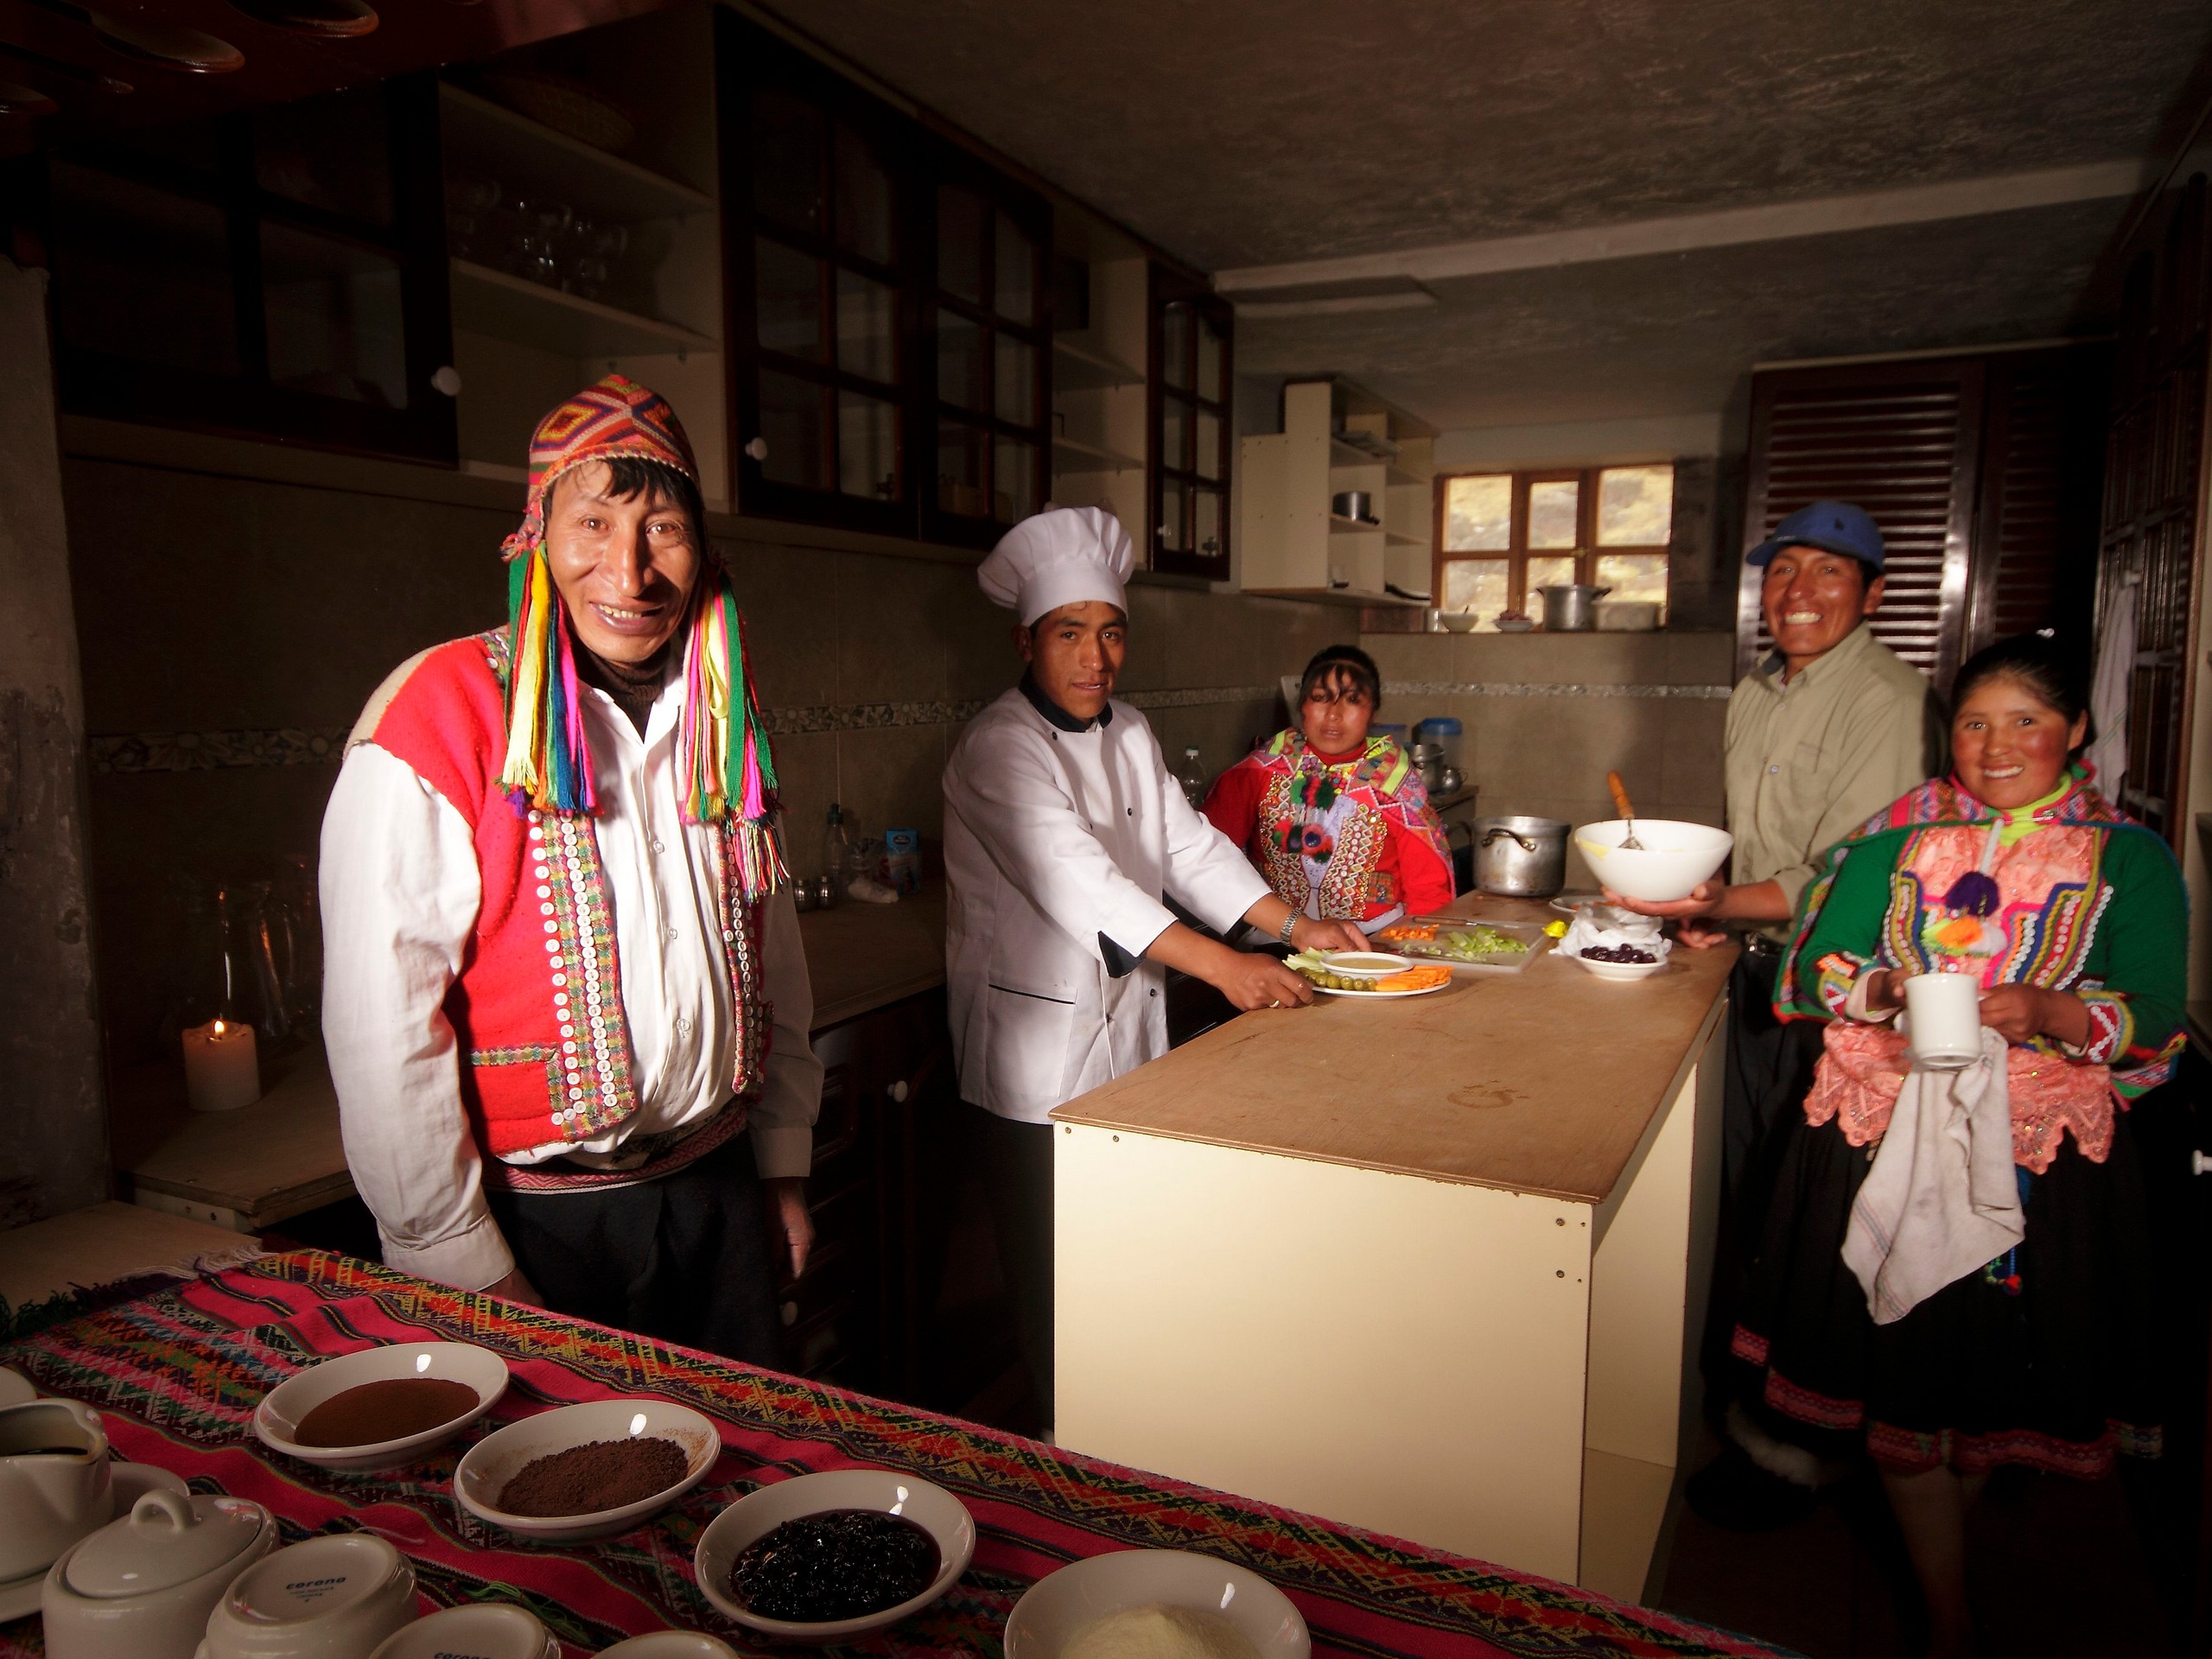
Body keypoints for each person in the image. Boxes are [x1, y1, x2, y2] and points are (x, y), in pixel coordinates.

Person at [321, 375, 822, 1366]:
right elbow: (384, 1027)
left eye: (664, 528)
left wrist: (781, 1171)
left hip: (717, 1195)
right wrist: (462, 1264)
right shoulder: (442, 714)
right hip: (539, 1233)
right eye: (592, 521)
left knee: (744, 1485)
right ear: (536, 537)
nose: (628, 571)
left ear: (704, 550)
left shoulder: (719, 713)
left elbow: (777, 958)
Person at [1732, 633, 2184, 1658]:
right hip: (1875, 1140)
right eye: (1975, 722)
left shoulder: (2130, 859)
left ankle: (1944, 1572)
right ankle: (1947, 1618)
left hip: (2038, 1165)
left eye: (2025, 720)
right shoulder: (1896, 842)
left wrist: (2047, 1010)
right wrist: (1883, 987)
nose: (1995, 744)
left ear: (2075, 733)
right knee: (1903, 1388)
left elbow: (2155, 1017)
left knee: (1985, 1389)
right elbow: (1808, 974)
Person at [941, 507, 1365, 1427]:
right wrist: (1225, 967)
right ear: (1025, 640)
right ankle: (1067, 1448)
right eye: (1068, 634)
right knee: (1056, 1274)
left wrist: (1295, 924)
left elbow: (1188, 851)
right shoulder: (996, 748)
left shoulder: (1129, 731)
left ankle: (1127, 1432)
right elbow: (1082, 884)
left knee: (1122, 1257)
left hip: (1129, 1040)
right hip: (1036, 1063)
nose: (1094, 658)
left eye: (1109, 634)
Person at [1608, 500, 1942, 1521]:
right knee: (1755, 1194)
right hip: (1764, 967)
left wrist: (1715, 901)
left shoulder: (1885, 697)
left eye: (1827, 573)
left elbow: (1852, 873)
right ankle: (1754, 1413)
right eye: (1783, 570)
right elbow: (1761, 856)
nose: (1798, 592)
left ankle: (1807, 1440)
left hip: (1842, 994)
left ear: (1874, 595)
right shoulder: (1758, 690)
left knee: (1812, 1210)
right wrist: (1724, 913)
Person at [1201, 645, 1454, 934]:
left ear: (1372, 712)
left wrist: (1414, 955)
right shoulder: (1259, 771)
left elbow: (1428, 893)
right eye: (1321, 698)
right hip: (1274, 944)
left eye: (1352, 700)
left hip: (1376, 944)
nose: (1334, 714)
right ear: (1302, 706)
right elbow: (1207, 856)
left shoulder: (1393, 782)